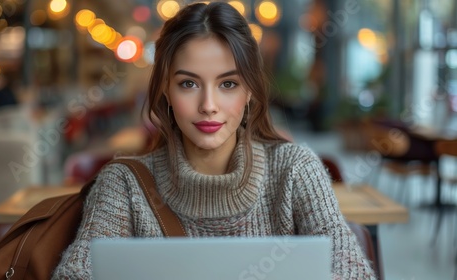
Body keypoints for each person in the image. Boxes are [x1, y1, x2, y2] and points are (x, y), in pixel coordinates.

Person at [52, 2, 375, 279]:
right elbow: (75, 274)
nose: (208, 105)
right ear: (165, 89)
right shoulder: (123, 185)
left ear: (249, 91)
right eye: (189, 84)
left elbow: (354, 270)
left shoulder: (295, 171)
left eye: (228, 84)